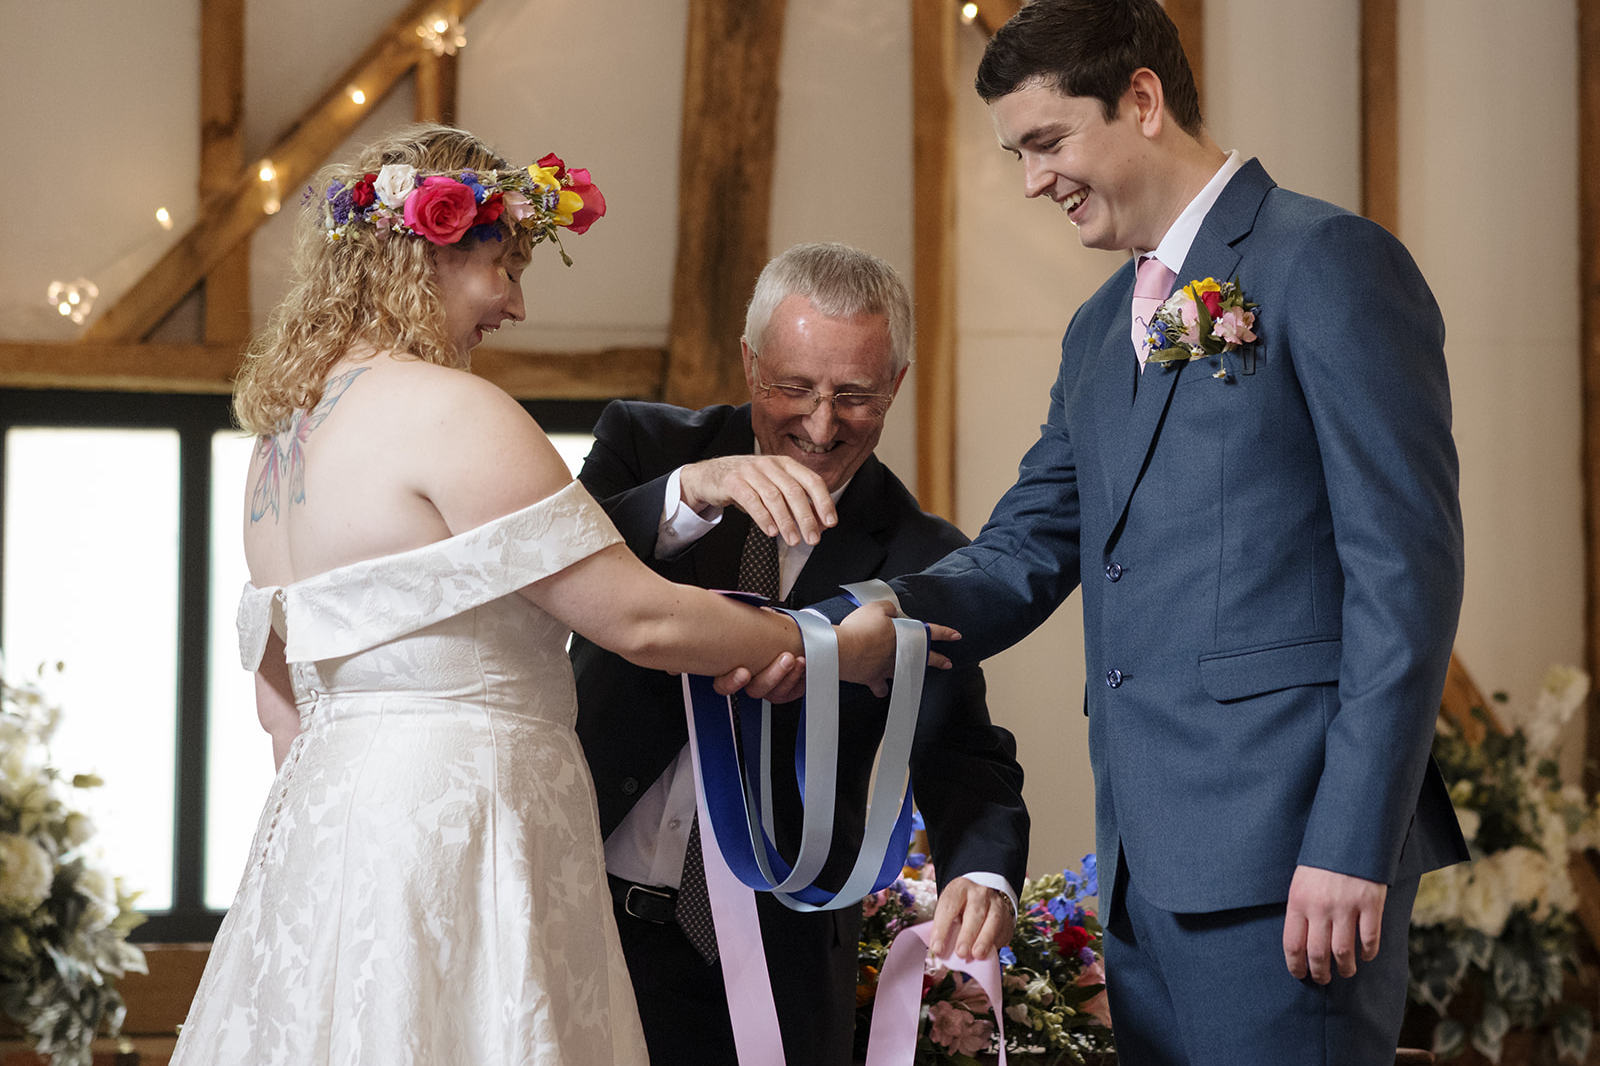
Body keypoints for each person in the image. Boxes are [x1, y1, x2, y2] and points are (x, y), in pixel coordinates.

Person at [168, 125, 939, 1066]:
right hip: (464, 838)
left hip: (330, 846)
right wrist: (837, 649)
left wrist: (349, 842)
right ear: (434, 252)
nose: (516, 304)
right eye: (505, 265)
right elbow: (641, 617)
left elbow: (281, 702)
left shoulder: (278, 445)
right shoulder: (454, 412)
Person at [811, 4, 1470, 1063]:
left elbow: (1406, 575)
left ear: (1143, 101)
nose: (1032, 181)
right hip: (1142, 877)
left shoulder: (1329, 262)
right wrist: (853, 620)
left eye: (1045, 142)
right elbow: (1023, 550)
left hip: (1296, 863)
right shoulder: (1092, 330)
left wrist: (1352, 841)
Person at [570, 242, 1030, 1066]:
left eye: (855, 396)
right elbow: (555, 566)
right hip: (581, 924)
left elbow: (966, 753)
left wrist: (984, 874)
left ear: (896, 384)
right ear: (750, 364)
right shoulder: (643, 448)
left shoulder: (927, 556)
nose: (820, 427)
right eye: (794, 388)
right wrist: (690, 494)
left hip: (774, 975)